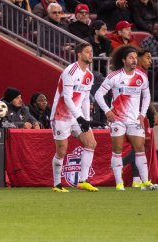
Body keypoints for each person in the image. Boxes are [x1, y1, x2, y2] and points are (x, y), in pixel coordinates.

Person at [94, 45, 157, 191]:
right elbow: (98, 95)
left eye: (135, 58)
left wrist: (142, 114)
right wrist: (108, 111)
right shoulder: (114, 76)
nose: (134, 60)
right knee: (117, 149)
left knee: (140, 148)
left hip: (135, 119)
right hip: (118, 119)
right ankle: (119, 183)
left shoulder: (141, 77)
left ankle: (145, 182)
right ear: (123, 60)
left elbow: (147, 96)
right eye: (131, 58)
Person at [50, 42, 98, 193]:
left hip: (77, 116)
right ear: (79, 54)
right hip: (61, 115)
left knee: (91, 143)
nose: (91, 54)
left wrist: (87, 119)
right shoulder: (70, 72)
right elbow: (68, 99)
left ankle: (83, 181)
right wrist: (80, 118)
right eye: (87, 52)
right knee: (62, 151)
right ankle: (57, 184)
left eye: (91, 51)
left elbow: (85, 99)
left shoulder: (89, 75)